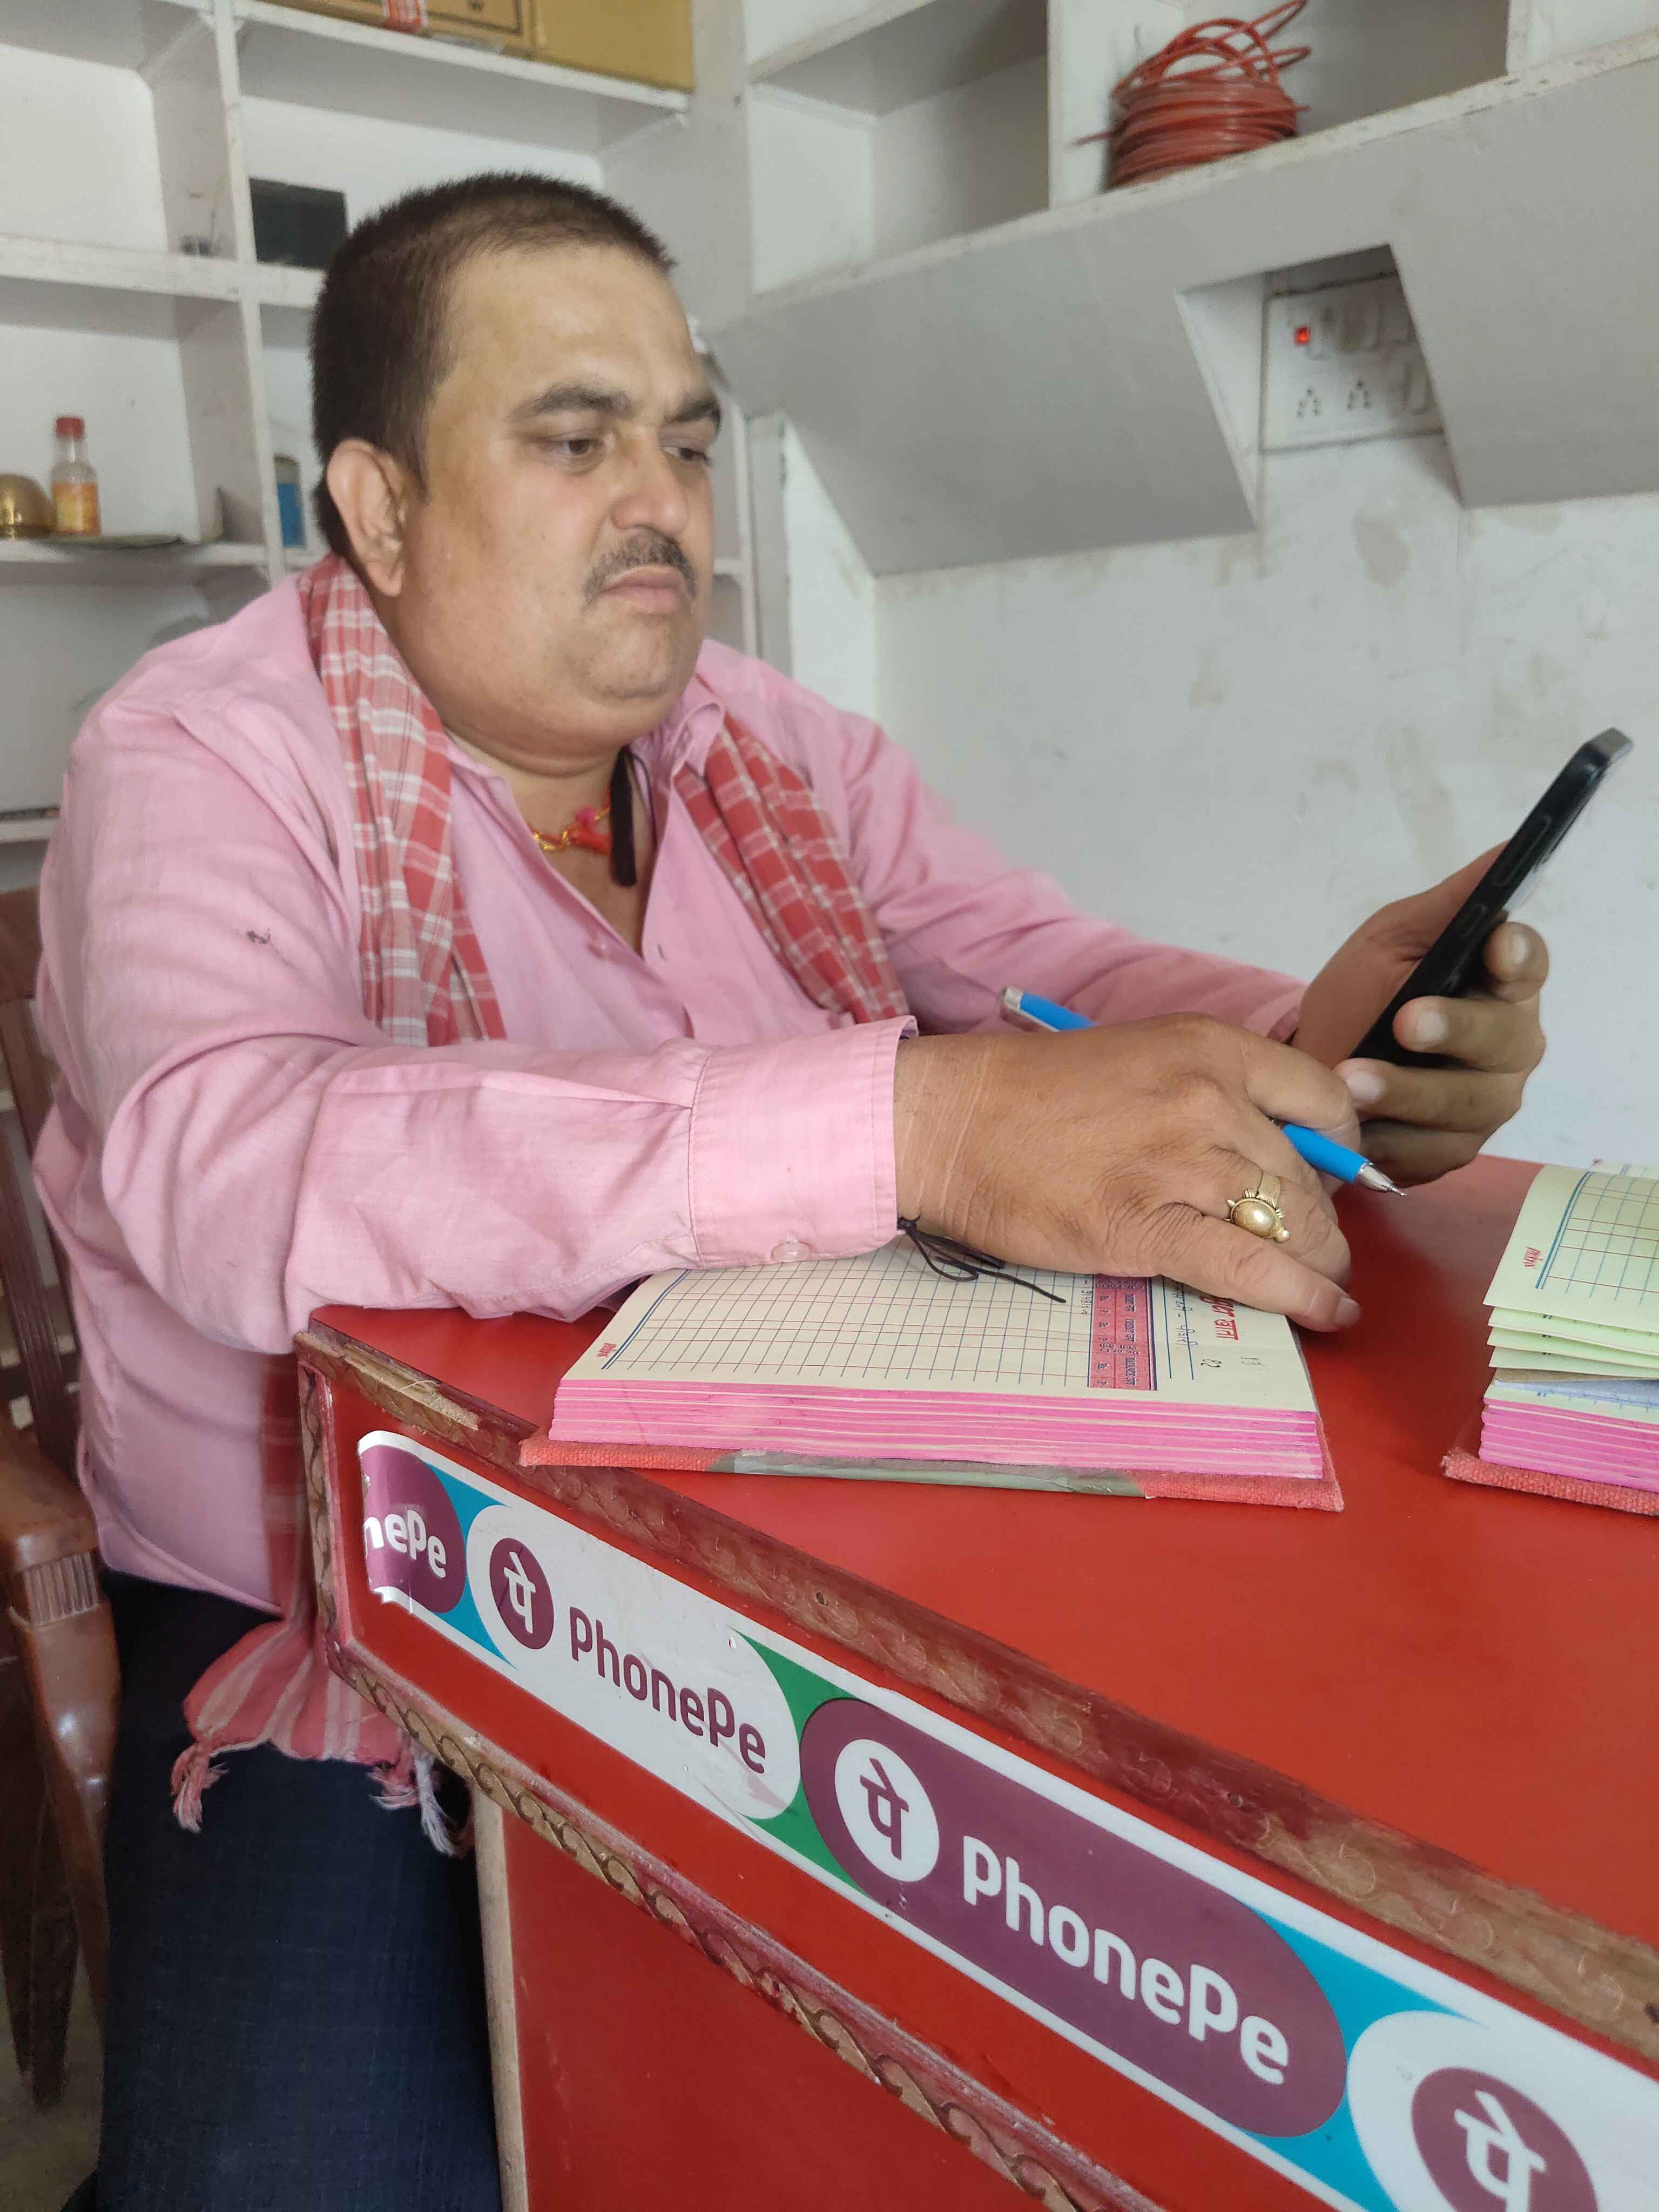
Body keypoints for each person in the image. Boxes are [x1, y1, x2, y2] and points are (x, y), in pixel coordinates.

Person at [36, 174, 1546, 2211]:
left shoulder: (764, 742)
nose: (659, 507)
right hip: (332, 1590)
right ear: (379, 508)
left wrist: (1315, 1034)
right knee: (294, 2180)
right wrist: (915, 1129)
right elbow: (233, 1163)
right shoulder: (200, 750)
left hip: (769, 1526)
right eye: (576, 441)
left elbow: (1044, 970)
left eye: (684, 443)